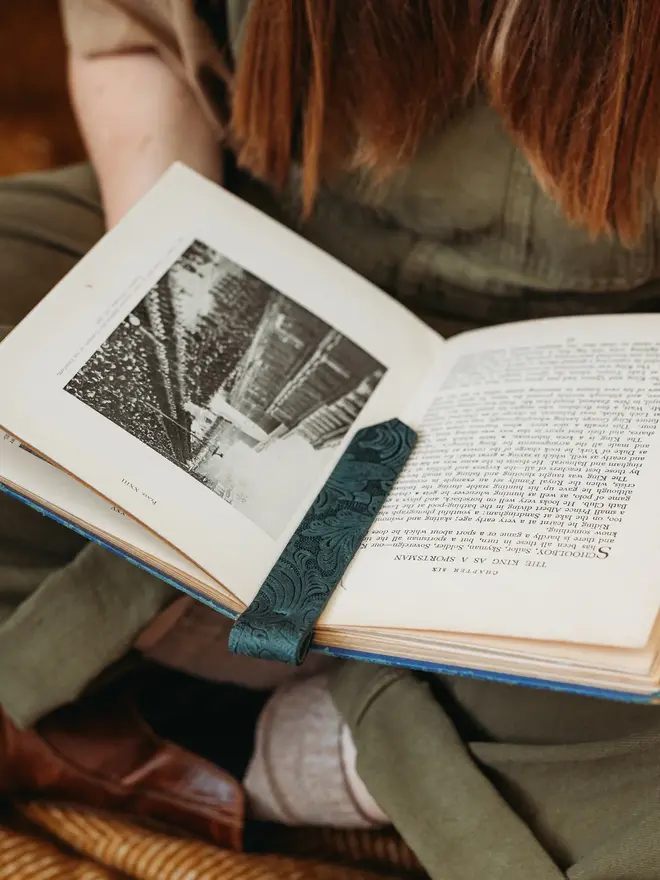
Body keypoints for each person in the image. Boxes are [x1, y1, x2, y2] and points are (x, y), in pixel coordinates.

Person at [2, 1, 660, 877]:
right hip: (279, 243)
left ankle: (273, 727)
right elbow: (130, 38)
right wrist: (154, 277)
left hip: (607, 365)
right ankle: (417, 731)